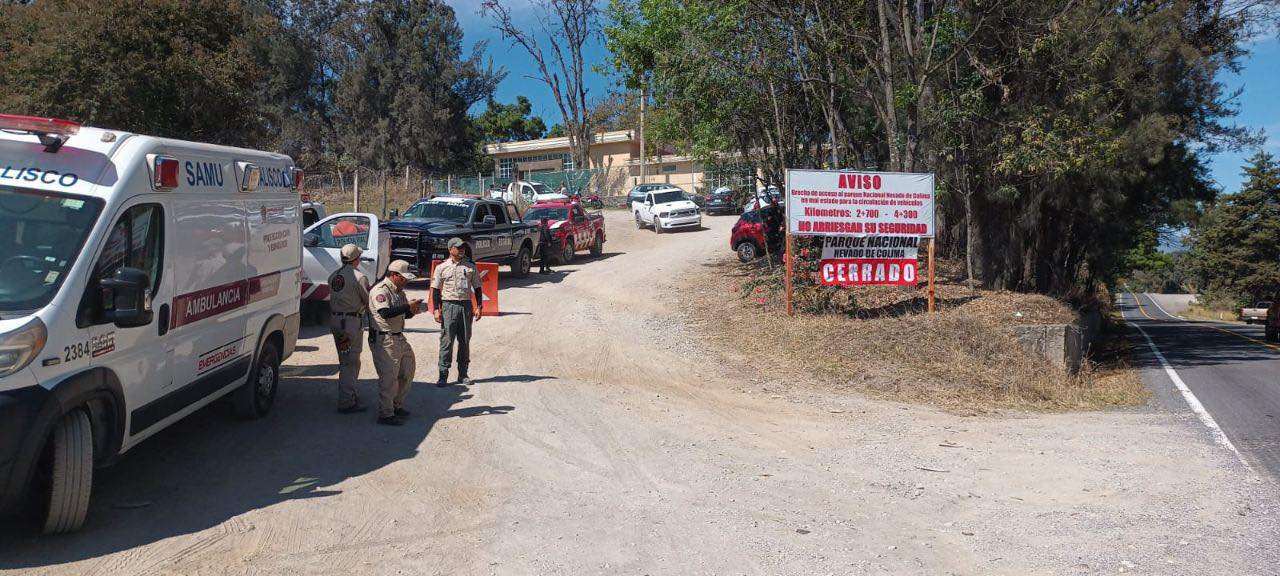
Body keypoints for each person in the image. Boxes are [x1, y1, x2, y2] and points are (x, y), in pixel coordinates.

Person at [368, 260, 424, 426]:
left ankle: (396, 405)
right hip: (385, 339)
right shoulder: (380, 290)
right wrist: (407, 306)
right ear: (393, 275)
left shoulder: (399, 292)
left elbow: (403, 315)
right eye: (403, 278)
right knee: (389, 378)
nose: (406, 281)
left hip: (399, 337)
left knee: (408, 370)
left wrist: (412, 310)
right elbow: (385, 312)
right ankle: (385, 414)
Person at [431, 237, 484, 387]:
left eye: (463, 247)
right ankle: (443, 375)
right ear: (450, 249)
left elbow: (478, 287)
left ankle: (463, 374)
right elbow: (435, 289)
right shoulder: (442, 267)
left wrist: (479, 306)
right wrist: (436, 309)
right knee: (447, 341)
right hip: (448, 305)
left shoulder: (470, 266)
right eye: (458, 247)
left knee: (465, 340)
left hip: (466, 306)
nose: (462, 250)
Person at [329, 244, 371, 414]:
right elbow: (368, 301)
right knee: (350, 362)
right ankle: (347, 401)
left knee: (345, 359)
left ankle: (350, 394)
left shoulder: (334, 276)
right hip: (350, 322)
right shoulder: (359, 277)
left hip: (336, 320)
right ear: (356, 259)